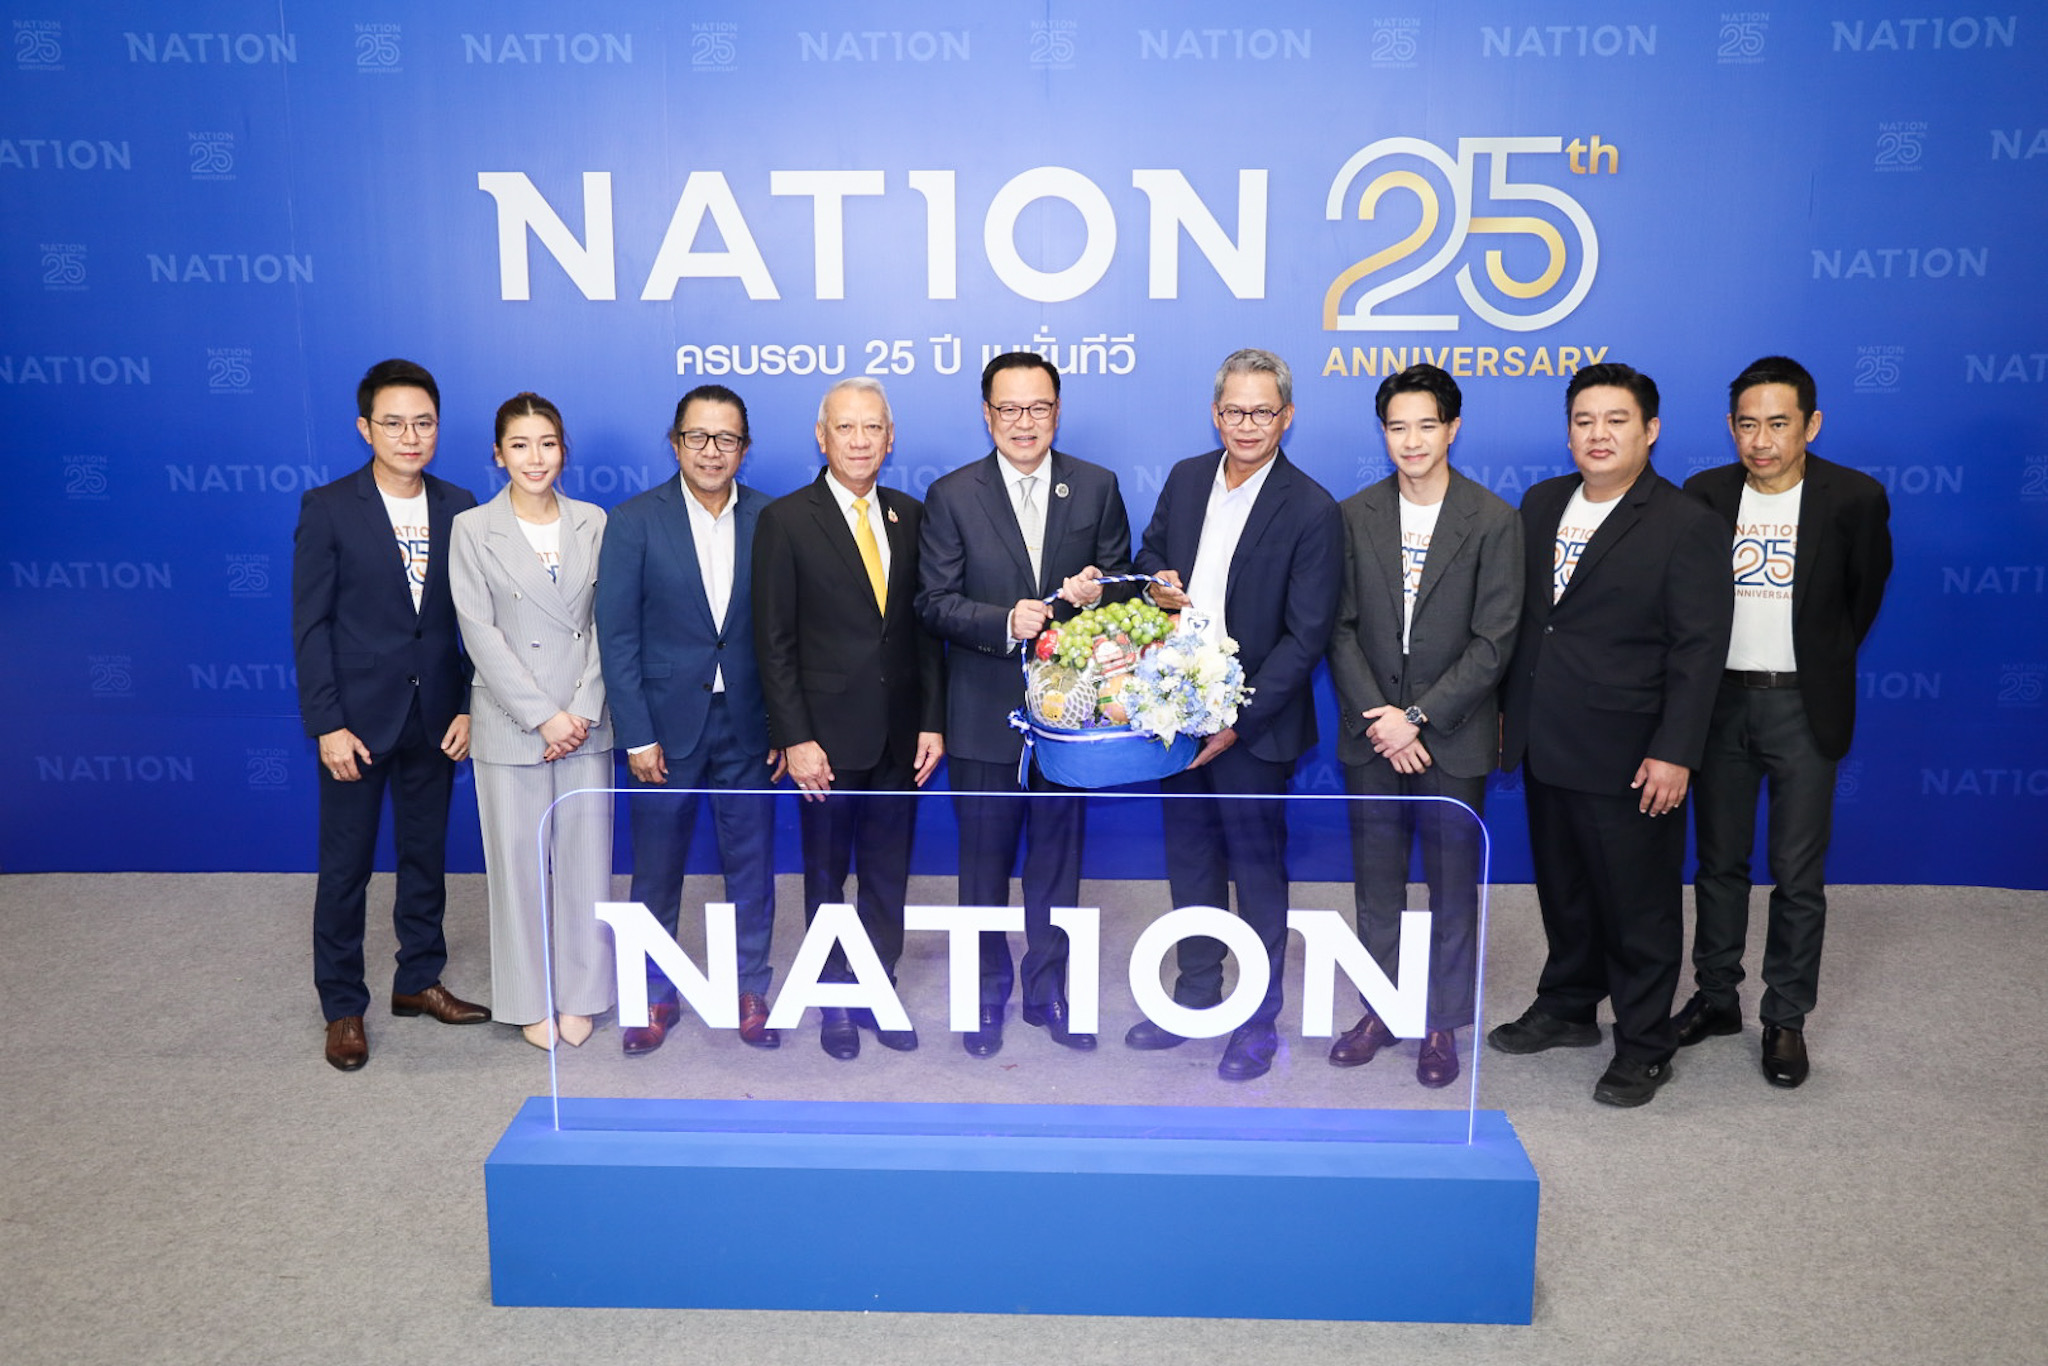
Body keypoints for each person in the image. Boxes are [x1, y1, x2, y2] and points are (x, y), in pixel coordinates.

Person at [1491, 362, 1733, 1107]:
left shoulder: (1686, 522)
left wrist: (1675, 752)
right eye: (1584, 420)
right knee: (1564, 890)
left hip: (1631, 753)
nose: (1598, 434)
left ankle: (1645, 1044)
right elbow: (1531, 623)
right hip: (1545, 738)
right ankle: (1568, 1006)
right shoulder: (1541, 503)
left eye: (1616, 420)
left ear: (1650, 430)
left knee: (1638, 907)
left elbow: (1699, 649)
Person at [1675, 356, 1893, 1088]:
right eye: (1747, 424)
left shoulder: (1854, 499)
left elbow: (1860, 601)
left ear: (1811, 424)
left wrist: (1814, 664)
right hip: (1720, 705)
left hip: (1803, 704)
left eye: (1777, 424)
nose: (1760, 440)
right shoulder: (1704, 495)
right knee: (1718, 864)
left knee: (1798, 874)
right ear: (1730, 427)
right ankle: (1715, 999)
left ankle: (1786, 1017)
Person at [1126, 348, 1343, 1082]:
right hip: (1176, 715)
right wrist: (1155, 582)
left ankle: (1256, 1021)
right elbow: (1150, 557)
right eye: (1233, 411)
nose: (1247, 425)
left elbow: (1306, 637)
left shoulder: (1311, 507)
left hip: (1255, 727)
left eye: (1262, 411)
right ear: (1215, 413)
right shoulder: (1188, 478)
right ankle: (1195, 997)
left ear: (1287, 416)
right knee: (1189, 860)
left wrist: (1236, 723)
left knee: (1256, 872)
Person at [916, 353, 1133, 1057]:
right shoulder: (952, 494)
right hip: (983, 711)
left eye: (1038, 407)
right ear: (987, 415)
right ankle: (985, 996)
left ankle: (1048, 989)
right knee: (982, 865)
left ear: (1057, 412)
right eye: (1009, 408)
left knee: (1057, 862)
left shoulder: (1096, 486)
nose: (1024, 422)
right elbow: (933, 602)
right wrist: (1003, 621)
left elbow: (1121, 594)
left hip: (1071, 718)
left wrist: (1098, 595)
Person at [1326, 364, 1522, 1088]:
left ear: (1453, 429)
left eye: (1427, 425)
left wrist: (1417, 719)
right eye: (1397, 427)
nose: (1412, 441)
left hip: (1451, 736)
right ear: (1383, 433)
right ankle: (1380, 1010)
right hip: (1373, 734)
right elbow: (1338, 628)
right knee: (1376, 885)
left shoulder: (1493, 520)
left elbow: (1494, 642)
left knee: (1451, 888)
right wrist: (1382, 721)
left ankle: (1441, 1022)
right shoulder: (1353, 515)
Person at [292, 358, 488, 1072]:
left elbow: (475, 620)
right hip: (356, 722)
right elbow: (310, 625)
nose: (411, 437)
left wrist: (469, 703)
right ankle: (343, 1004)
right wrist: (327, 724)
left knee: (424, 856)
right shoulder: (329, 507)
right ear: (365, 428)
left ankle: (418, 980)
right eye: (394, 423)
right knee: (346, 868)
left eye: (424, 423)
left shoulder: (460, 503)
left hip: (435, 715)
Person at [753, 377, 945, 1061]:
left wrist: (932, 720)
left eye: (873, 428)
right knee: (827, 876)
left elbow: (925, 633)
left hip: (900, 737)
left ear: (890, 439)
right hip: (825, 744)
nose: (859, 441)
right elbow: (773, 642)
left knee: (888, 875)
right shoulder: (785, 520)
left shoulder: (911, 515)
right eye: (846, 427)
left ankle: (878, 990)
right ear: (821, 436)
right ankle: (833, 997)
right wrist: (795, 738)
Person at [596, 385, 783, 1056]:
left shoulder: (772, 518)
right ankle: (654, 994)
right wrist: (637, 734)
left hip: (749, 724)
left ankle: (751, 989)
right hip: (664, 729)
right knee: (656, 869)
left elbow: (786, 633)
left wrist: (785, 726)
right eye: (697, 437)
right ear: (675, 443)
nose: (711, 451)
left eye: (726, 438)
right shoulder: (633, 521)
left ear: (744, 448)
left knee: (753, 866)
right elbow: (617, 637)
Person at [449, 393, 615, 1051]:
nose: (535, 457)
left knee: (585, 865)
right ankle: (525, 998)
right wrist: (544, 717)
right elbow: (478, 631)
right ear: (498, 454)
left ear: (563, 450)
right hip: (512, 723)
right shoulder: (471, 528)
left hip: (586, 721)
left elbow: (609, 624)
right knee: (516, 870)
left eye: (547, 443)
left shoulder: (594, 522)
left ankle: (584, 992)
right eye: (520, 445)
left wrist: (581, 710)